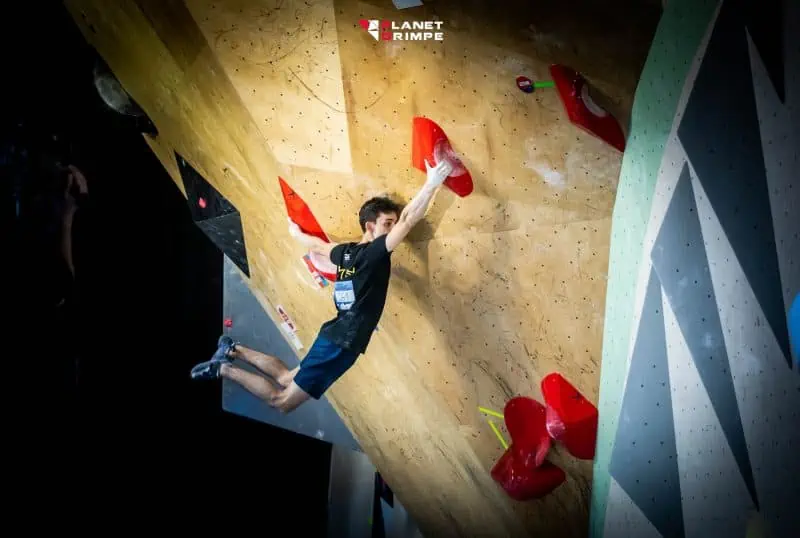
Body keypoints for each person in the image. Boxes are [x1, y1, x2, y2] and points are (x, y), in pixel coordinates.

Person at [190, 158, 454, 413]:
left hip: (335, 333)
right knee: (281, 401)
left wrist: (296, 234)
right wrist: (432, 183)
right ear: (370, 226)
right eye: (387, 224)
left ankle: (232, 349)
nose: (393, 229)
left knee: (286, 377)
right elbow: (408, 220)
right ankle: (222, 368)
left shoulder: (346, 252)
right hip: (343, 340)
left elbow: (317, 246)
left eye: (392, 224)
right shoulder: (373, 253)